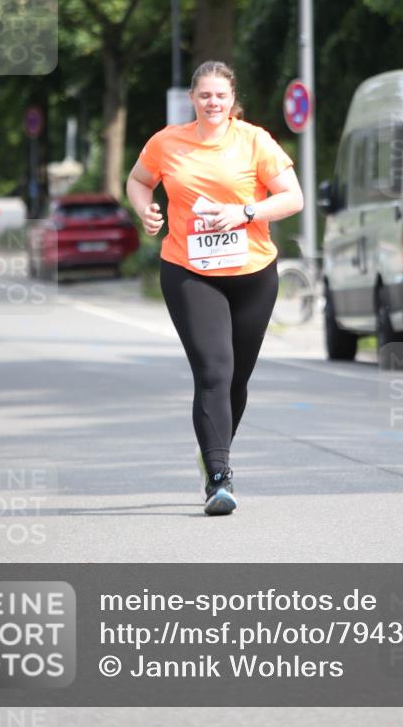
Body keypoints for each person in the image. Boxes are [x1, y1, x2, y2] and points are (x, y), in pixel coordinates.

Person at [127, 61, 304, 516]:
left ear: (231, 100)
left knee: (236, 380)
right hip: (189, 270)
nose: (213, 103)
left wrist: (246, 212)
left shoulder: (254, 140)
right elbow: (138, 180)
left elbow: (292, 198)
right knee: (213, 372)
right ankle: (220, 478)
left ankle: (212, 451)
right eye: (205, 95)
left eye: (220, 96)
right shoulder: (167, 142)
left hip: (252, 272)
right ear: (193, 98)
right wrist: (146, 210)